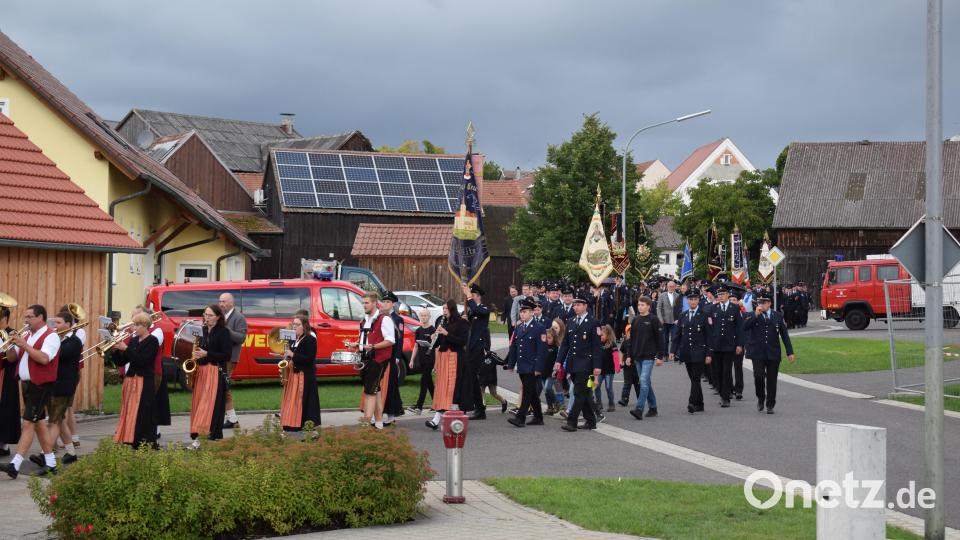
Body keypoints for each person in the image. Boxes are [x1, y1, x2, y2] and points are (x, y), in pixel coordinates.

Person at [1, 305, 61, 478]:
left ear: (41, 317)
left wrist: (23, 344)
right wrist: (10, 345)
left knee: (27, 423)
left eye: (29, 317)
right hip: (27, 384)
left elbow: (43, 358)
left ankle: (15, 464)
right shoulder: (27, 335)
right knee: (39, 424)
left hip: (41, 385)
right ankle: (50, 463)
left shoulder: (51, 336)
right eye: (25, 317)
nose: (25, 320)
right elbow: (12, 358)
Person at [33, 311, 82, 466]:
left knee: (53, 421)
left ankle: (44, 454)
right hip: (54, 383)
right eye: (54, 323)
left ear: (68, 324)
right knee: (59, 420)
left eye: (59, 323)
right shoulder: (56, 339)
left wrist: (50, 342)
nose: (55, 326)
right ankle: (71, 453)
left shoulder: (74, 341)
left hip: (65, 385)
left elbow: (57, 355)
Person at [743, 292, 796, 414]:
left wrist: (790, 352)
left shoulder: (777, 316)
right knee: (758, 377)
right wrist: (755, 315)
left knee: (772, 379)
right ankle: (761, 398)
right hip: (758, 352)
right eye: (759, 302)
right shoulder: (752, 314)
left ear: (769, 303)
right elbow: (744, 327)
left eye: (763, 302)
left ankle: (770, 403)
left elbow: (784, 335)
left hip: (773, 352)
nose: (761, 304)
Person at [556, 293, 601, 432]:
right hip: (573, 363)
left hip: (587, 364)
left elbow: (596, 347)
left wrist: (597, 366)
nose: (576, 307)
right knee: (585, 393)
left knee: (579, 392)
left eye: (579, 305)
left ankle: (572, 421)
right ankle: (591, 420)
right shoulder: (570, 321)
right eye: (574, 305)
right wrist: (559, 361)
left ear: (585, 306)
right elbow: (565, 345)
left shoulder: (594, 323)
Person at [112, 313, 158, 448]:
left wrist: (126, 349)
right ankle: (128, 438)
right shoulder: (133, 341)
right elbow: (122, 362)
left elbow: (143, 361)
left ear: (145, 326)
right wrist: (114, 351)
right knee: (129, 409)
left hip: (144, 380)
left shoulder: (152, 341)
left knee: (142, 411)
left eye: (136, 325)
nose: (133, 328)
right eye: (134, 324)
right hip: (131, 379)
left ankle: (142, 441)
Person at [188, 304, 231, 448]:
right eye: (205, 315)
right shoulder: (203, 330)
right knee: (200, 404)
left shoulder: (223, 332)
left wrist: (207, 354)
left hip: (215, 372)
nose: (207, 318)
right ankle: (200, 437)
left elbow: (226, 355)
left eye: (210, 315)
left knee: (209, 406)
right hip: (202, 371)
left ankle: (205, 437)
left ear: (218, 317)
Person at [505, 297, 547, 427]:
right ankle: (538, 417)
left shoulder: (539, 328)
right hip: (522, 366)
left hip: (533, 366)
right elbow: (514, 347)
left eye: (525, 312)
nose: (522, 314)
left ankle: (520, 417)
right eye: (521, 312)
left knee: (527, 391)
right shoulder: (519, 328)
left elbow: (542, 350)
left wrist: (538, 368)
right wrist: (511, 364)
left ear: (532, 312)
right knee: (532, 392)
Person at [670, 288, 713, 414]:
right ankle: (700, 403)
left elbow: (709, 336)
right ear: (687, 300)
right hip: (686, 352)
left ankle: (692, 402)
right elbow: (677, 335)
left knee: (695, 377)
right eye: (690, 299)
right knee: (693, 378)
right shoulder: (683, 315)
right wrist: (672, 351)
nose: (693, 301)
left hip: (700, 352)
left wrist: (709, 353)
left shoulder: (704, 316)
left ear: (698, 301)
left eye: (695, 299)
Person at [426, 301, 467, 430]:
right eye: (443, 308)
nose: (444, 311)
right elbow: (439, 342)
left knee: (450, 389)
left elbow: (461, 342)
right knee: (442, 388)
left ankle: (444, 420)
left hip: (454, 357)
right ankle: (437, 419)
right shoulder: (444, 322)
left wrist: (446, 333)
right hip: (443, 357)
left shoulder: (461, 323)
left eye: (446, 308)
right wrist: (435, 337)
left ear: (452, 309)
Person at [357, 292, 395, 430]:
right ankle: (379, 422)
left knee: (369, 391)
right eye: (363, 303)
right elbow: (364, 339)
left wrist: (373, 347)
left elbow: (390, 340)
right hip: (365, 358)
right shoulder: (364, 320)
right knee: (376, 389)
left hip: (378, 359)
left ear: (374, 303)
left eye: (366, 303)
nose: (364, 305)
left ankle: (367, 421)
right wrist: (357, 345)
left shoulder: (384, 319)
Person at [626, 296, 664, 420]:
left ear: (649, 306)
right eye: (639, 305)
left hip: (649, 356)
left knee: (643, 381)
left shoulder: (654, 320)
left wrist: (660, 356)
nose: (640, 307)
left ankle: (639, 409)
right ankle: (653, 408)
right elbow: (631, 340)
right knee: (646, 382)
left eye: (643, 305)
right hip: (637, 356)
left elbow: (660, 339)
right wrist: (629, 356)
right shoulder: (635, 320)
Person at [280, 315, 320, 431]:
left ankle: (303, 424)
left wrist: (292, 354)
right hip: (294, 374)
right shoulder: (294, 339)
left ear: (304, 326)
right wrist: (286, 355)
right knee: (292, 399)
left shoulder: (310, 340)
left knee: (302, 401)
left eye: (297, 325)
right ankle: (290, 422)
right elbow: (293, 355)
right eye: (293, 324)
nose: (294, 327)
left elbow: (309, 359)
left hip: (305, 375)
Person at [458, 284, 490, 420]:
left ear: (477, 296)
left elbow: (477, 311)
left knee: (472, 378)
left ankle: (476, 408)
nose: (469, 298)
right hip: (469, 347)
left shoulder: (484, 309)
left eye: (472, 295)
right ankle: (478, 408)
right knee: (471, 379)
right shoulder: (470, 311)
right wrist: (464, 320)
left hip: (477, 348)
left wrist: (468, 295)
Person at [710, 285, 743, 408]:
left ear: (728, 295)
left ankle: (726, 397)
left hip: (730, 344)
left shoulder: (735, 308)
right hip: (717, 344)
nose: (720, 296)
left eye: (723, 294)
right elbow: (711, 328)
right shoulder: (714, 308)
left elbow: (739, 328)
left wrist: (739, 344)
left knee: (727, 370)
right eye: (719, 295)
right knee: (718, 371)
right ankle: (723, 391)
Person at [219, 293, 248, 429]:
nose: (221, 304)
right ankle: (231, 418)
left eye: (224, 301)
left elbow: (241, 338)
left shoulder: (239, 317)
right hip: (219, 356)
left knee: (224, 387)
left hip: (230, 358)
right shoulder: (220, 315)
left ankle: (232, 419)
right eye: (220, 301)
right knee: (223, 388)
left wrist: (226, 330)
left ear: (231, 302)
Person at [379, 292, 405, 425]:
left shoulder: (398, 319)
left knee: (391, 386)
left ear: (393, 304)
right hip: (382, 356)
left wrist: (397, 357)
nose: (385, 304)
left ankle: (391, 414)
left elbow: (400, 340)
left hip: (392, 356)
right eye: (384, 302)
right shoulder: (381, 317)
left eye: (388, 302)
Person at [0, 306, 20, 456]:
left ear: (5, 318)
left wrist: (6, 341)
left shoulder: (12, 334)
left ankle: (4, 444)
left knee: (6, 408)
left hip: (6, 374)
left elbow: (12, 358)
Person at [407, 308, 435, 414]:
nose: (423, 317)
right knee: (429, 382)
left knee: (424, 381)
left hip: (430, 359)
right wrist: (412, 360)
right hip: (422, 359)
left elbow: (436, 347)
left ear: (429, 317)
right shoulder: (418, 330)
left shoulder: (433, 330)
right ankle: (436, 404)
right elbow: (416, 346)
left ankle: (419, 406)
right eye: (422, 316)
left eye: (425, 315)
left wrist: (436, 363)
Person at [593, 325, 617, 413]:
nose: (601, 337)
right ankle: (599, 403)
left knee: (608, 387)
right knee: (596, 386)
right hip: (600, 370)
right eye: (600, 335)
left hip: (609, 370)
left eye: (602, 335)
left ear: (608, 335)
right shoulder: (598, 344)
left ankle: (611, 404)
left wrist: (617, 366)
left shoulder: (612, 344)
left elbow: (615, 357)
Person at [657, 280, 682, 361]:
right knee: (665, 339)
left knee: (675, 338)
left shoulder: (678, 296)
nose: (671, 288)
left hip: (675, 321)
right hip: (664, 321)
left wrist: (678, 319)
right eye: (669, 286)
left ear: (675, 287)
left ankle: (673, 354)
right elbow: (659, 308)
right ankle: (665, 354)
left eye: (672, 286)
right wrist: (660, 319)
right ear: (667, 287)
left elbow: (680, 309)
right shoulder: (662, 295)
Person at [617, 323, 640, 407]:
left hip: (637, 366)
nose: (630, 333)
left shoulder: (638, 342)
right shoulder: (625, 342)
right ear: (626, 333)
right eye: (629, 332)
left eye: (632, 331)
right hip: (627, 367)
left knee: (638, 384)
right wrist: (620, 361)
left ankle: (640, 400)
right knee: (627, 383)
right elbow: (621, 352)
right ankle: (624, 399)